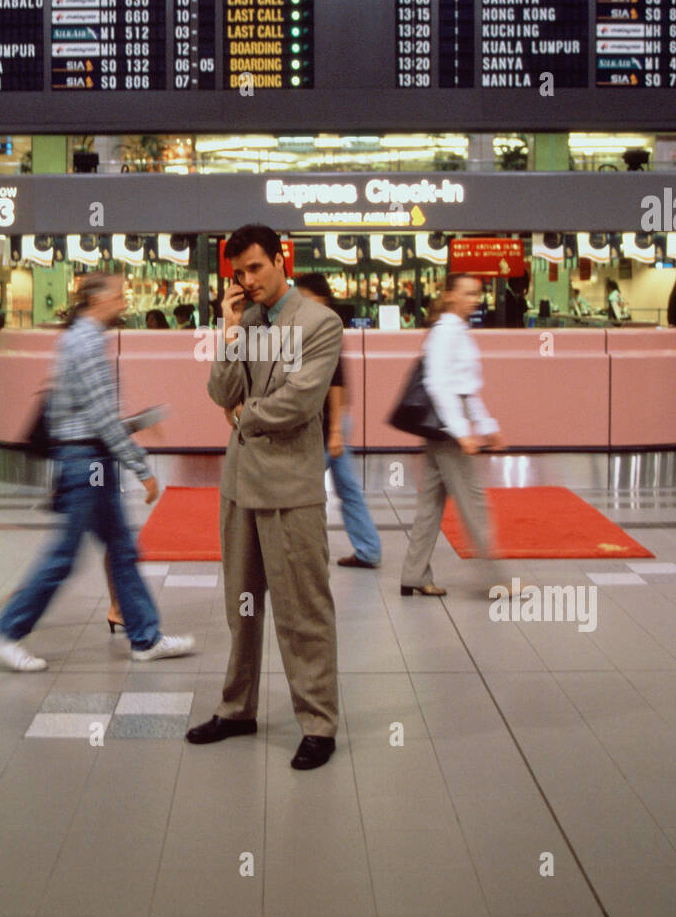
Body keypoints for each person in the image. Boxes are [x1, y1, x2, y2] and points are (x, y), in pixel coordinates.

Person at [186, 224, 343, 771]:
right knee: (241, 608)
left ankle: (318, 721)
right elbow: (220, 392)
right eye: (239, 273)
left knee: (303, 610)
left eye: (256, 268)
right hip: (240, 486)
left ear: (281, 260)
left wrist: (241, 418)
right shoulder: (247, 323)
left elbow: (298, 403)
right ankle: (237, 709)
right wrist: (229, 331)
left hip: (290, 489)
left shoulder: (320, 323)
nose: (247, 281)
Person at [0, 271, 195, 671]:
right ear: (97, 300)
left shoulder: (86, 338)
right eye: (118, 295)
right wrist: (141, 468)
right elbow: (102, 418)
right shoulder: (84, 342)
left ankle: (145, 638)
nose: (124, 301)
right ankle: (5, 633)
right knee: (63, 556)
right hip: (85, 463)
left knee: (120, 549)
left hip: (90, 460)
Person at [400, 273, 504, 598]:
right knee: (474, 503)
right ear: (449, 296)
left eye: (477, 294)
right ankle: (496, 579)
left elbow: (466, 387)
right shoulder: (446, 332)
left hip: (444, 426)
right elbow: (439, 384)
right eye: (468, 293)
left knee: (430, 505)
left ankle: (413, 574)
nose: (475, 300)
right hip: (447, 428)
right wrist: (462, 432)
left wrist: (485, 425)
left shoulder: (456, 331)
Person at [294, 273, 382, 570]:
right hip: (334, 423)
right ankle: (368, 549)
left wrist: (334, 430)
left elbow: (336, 381)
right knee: (347, 489)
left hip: (327, 426)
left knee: (303, 489)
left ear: (321, 298)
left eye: (306, 297)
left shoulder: (324, 327)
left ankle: (304, 552)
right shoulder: (318, 326)